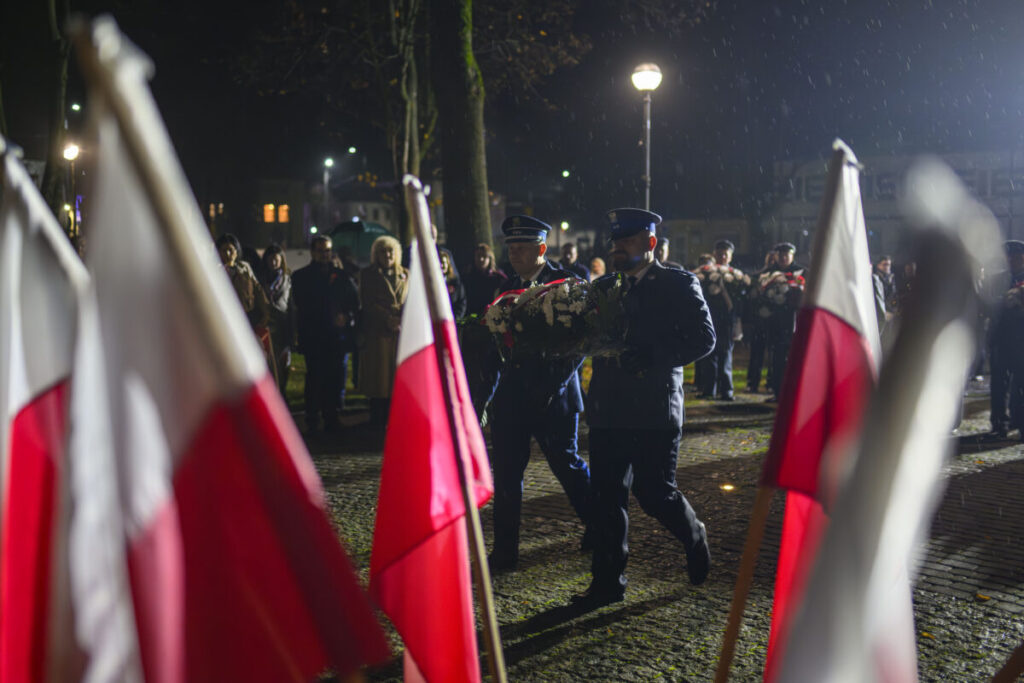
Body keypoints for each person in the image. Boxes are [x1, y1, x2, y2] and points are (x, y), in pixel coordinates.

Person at [578, 207, 715, 606]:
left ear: (651, 243)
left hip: (654, 407)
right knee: (606, 497)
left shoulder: (676, 283)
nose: (618, 247)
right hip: (608, 405)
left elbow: (704, 339)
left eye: (628, 240)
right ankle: (607, 582)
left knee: (654, 493)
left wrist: (654, 355)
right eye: (616, 240)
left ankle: (693, 534)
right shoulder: (604, 287)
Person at [487, 215, 592, 573]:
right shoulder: (505, 288)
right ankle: (504, 551)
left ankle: (597, 524)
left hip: (554, 398)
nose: (514, 254)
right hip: (512, 397)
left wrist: (553, 386)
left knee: (568, 467)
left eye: (522, 247)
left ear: (542, 249)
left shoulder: (567, 285)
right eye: (511, 247)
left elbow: (578, 344)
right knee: (505, 473)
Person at [291, 235, 360, 433]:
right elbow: (299, 306)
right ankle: (312, 416)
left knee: (335, 377)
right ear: (313, 252)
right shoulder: (301, 277)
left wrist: (346, 316)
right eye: (321, 251)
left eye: (328, 250)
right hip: (314, 335)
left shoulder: (341, 275)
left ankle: (333, 415)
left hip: (336, 336)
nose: (325, 254)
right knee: (314, 377)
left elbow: (353, 302)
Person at [358, 235, 409, 431]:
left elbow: (408, 300)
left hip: (399, 332)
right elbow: (367, 302)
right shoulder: (368, 274)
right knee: (379, 378)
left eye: (391, 251)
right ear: (376, 254)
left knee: (396, 377)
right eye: (383, 251)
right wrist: (388, 319)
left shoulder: (406, 273)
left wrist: (402, 319)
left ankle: (395, 417)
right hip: (378, 331)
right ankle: (377, 418)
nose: (387, 255)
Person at [696, 239, 747, 400]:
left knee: (725, 353)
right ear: (714, 254)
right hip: (709, 317)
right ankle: (709, 389)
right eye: (720, 253)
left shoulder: (735, 276)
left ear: (731, 256)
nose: (723, 256)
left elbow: (739, 299)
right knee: (709, 353)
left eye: (726, 254)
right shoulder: (705, 273)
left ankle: (727, 390)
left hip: (727, 319)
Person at [985, 241, 1024, 439]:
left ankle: (1019, 422)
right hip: (1000, 338)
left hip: (1021, 340)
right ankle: (999, 423)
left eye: (1016, 257)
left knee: (1020, 384)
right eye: (1008, 257)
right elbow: (986, 305)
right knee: (999, 385)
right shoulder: (995, 280)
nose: (1011, 261)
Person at [765, 242, 806, 400]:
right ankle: (778, 391)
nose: (783, 258)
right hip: (774, 322)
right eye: (780, 255)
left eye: (786, 255)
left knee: (796, 358)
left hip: (795, 322)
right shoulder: (769, 273)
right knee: (776, 359)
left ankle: (796, 393)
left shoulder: (801, 273)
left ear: (792, 256)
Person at [261, 243, 295, 395]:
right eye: (271, 259)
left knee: (283, 364)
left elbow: (291, 304)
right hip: (266, 329)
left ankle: (282, 394)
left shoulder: (288, 280)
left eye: (276, 259)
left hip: (283, 327)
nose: (274, 263)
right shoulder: (260, 280)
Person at [745, 249, 778, 393]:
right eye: (769, 260)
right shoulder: (759, 276)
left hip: (774, 321)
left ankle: (771, 382)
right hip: (759, 321)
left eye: (774, 260)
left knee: (773, 354)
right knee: (756, 354)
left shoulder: (779, 277)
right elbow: (750, 298)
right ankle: (753, 382)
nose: (772, 262)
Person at [463, 243, 507, 316]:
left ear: (490, 258)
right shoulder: (467, 277)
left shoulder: (499, 278)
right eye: (478, 256)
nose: (481, 259)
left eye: (484, 256)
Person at [440, 250, 467, 318]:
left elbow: (461, 303)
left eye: (443, 262)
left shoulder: (456, 283)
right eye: (439, 262)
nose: (441, 265)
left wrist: (455, 319)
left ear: (448, 265)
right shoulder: (429, 282)